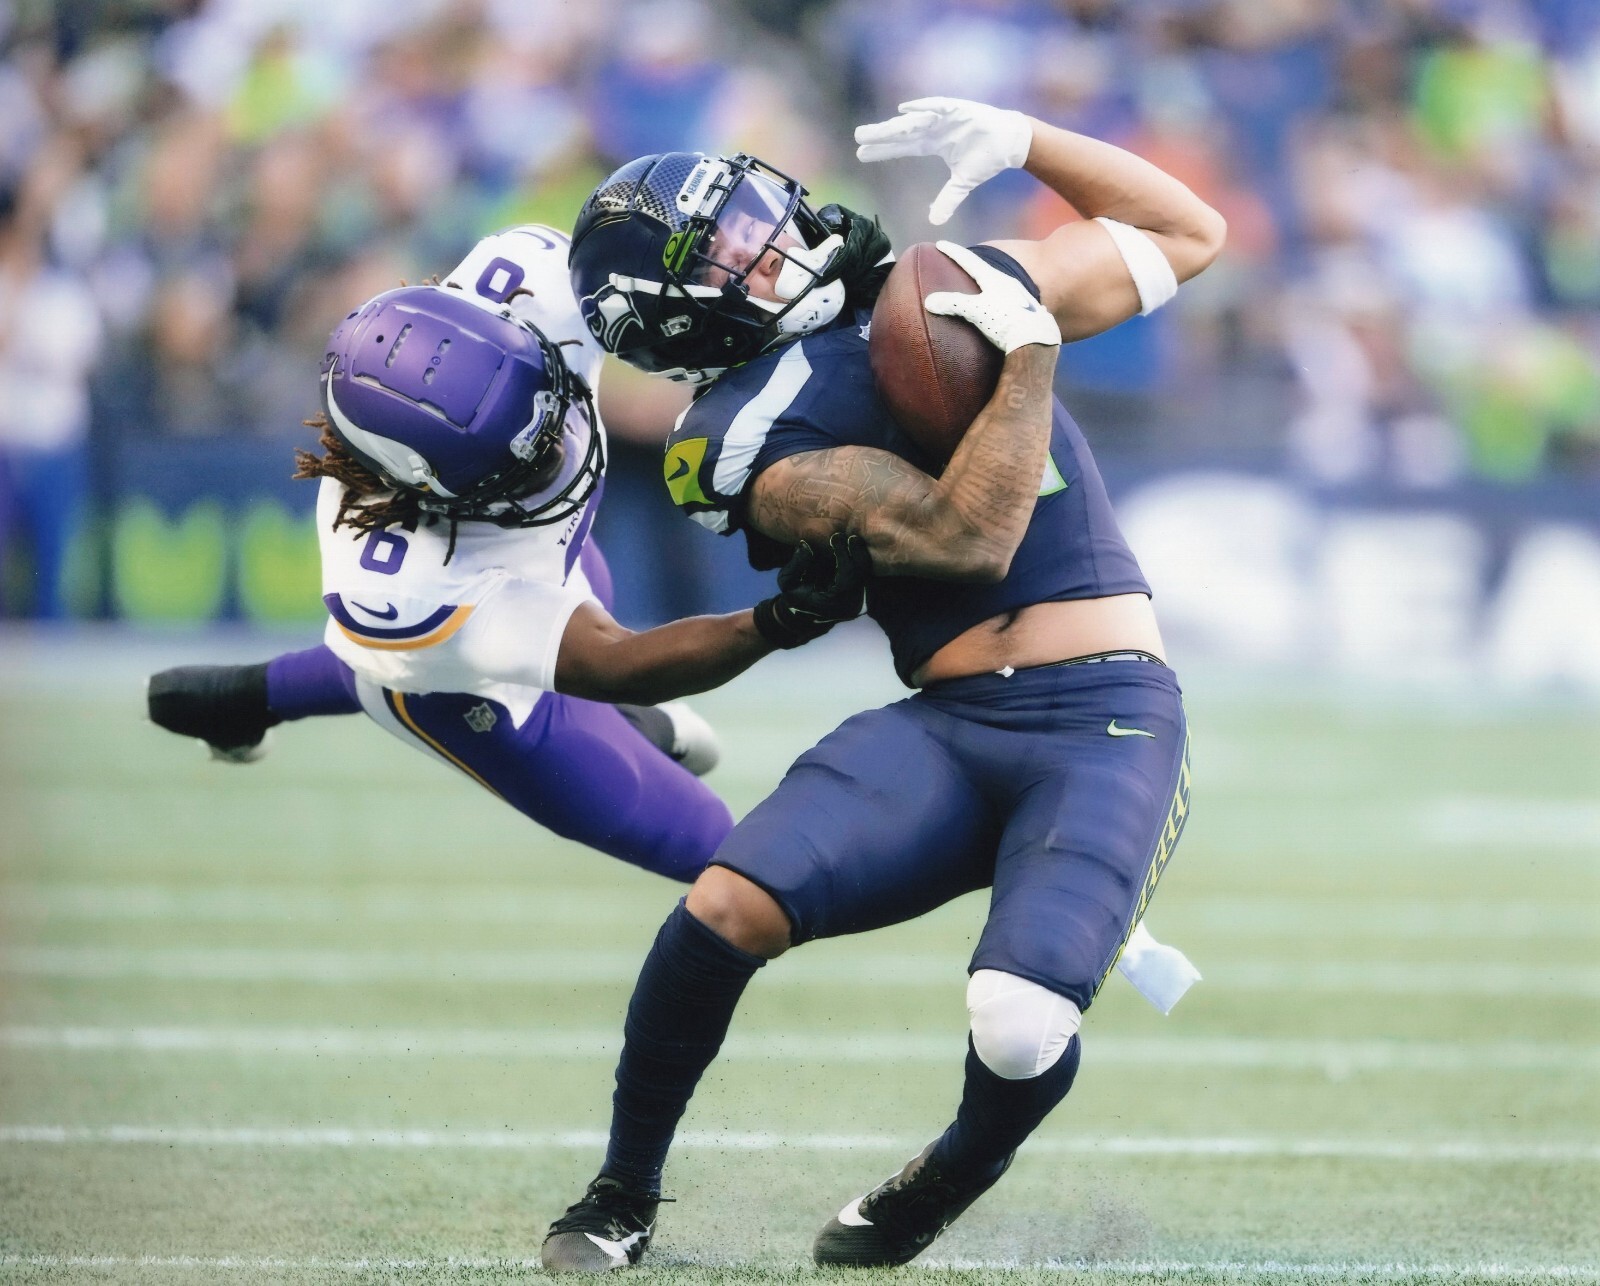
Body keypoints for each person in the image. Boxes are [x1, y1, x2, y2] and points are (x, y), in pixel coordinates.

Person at [541, 96, 1225, 1270]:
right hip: (950, 721)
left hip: (1103, 716)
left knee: (1018, 1020)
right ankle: (621, 1190)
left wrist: (1026, 141)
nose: (769, 238)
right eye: (724, 249)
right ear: (682, 315)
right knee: (724, 905)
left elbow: (1187, 232)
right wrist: (1028, 357)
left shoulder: (947, 284)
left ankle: (946, 1172)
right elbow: (968, 539)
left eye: (751, 215)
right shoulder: (732, 435)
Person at [147, 224, 869, 882]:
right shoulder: (407, 588)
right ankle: (249, 697)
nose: (558, 453)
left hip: (532, 571)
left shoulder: (537, 283)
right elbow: (614, 661)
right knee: (723, 855)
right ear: (430, 491)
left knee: (592, 593)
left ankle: (243, 698)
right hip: (467, 688)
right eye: (526, 464)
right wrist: (778, 620)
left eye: (545, 413)